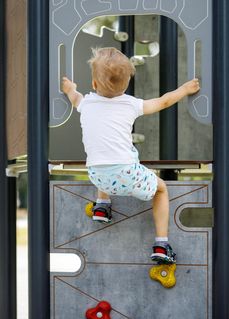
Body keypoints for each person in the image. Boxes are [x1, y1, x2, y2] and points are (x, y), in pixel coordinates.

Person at [62, 47, 200, 264]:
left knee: (104, 155)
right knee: (162, 189)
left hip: (96, 175)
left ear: (94, 84)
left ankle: (102, 206)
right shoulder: (131, 104)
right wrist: (184, 89)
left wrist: (69, 88)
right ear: (126, 85)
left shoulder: (87, 103)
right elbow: (163, 102)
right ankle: (162, 244)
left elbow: (74, 97)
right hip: (127, 173)